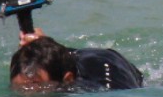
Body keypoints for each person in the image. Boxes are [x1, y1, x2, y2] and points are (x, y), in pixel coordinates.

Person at [10, 30, 144, 92]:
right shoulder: (52, 70)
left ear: (68, 80)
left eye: (36, 86)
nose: (27, 95)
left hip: (112, 71)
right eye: (20, 88)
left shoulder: (107, 83)